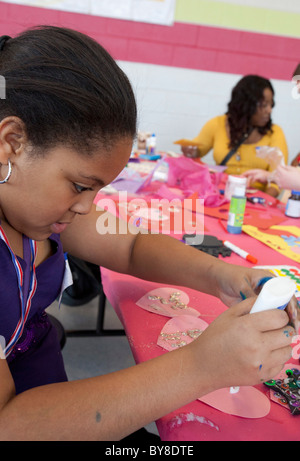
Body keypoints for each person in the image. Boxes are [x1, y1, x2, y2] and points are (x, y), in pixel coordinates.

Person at [0, 27, 297, 441]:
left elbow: (132, 244)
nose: (89, 206)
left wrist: (224, 277)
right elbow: (9, 424)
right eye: (83, 185)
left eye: (101, 189)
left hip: (50, 391)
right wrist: (201, 366)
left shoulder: (40, 211)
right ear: (11, 143)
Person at [181, 75, 288, 197]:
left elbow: (277, 180)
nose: (269, 110)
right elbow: (198, 149)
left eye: (271, 104)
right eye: (263, 105)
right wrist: (191, 151)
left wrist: (264, 201)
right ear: (246, 105)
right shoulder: (217, 124)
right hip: (219, 195)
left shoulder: (275, 133)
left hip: (254, 201)